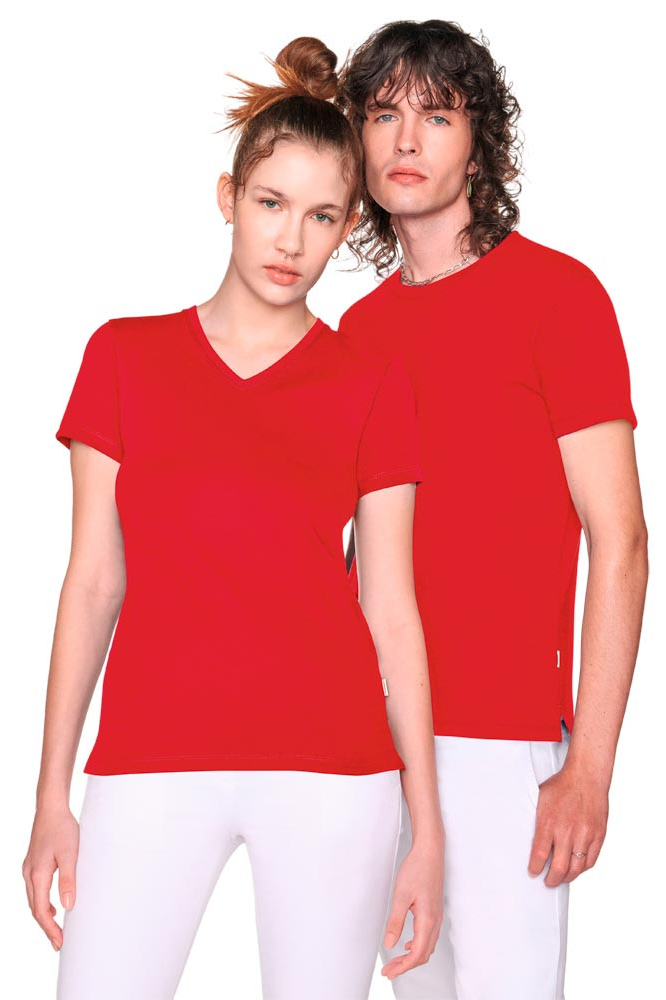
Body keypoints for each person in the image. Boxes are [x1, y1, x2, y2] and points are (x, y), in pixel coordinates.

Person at [21, 36, 445, 1000]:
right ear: (228, 198)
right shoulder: (122, 358)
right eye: (270, 204)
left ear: (347, 226)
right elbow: (92, 584)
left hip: (334, 772)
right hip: (149, 760)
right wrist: (51, 797)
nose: (291, 240)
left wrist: (424, 828)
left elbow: (390, 607)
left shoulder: (370, 382)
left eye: (322, 215)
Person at [336, 18, 649, 999]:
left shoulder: (558, 297)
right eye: (382, 115)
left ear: (480, 146)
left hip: (500, 745)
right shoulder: (357, 331)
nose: (406, 140)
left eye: (436, 115)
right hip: (370, 745)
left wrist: (588, 765)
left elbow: (621, 540)